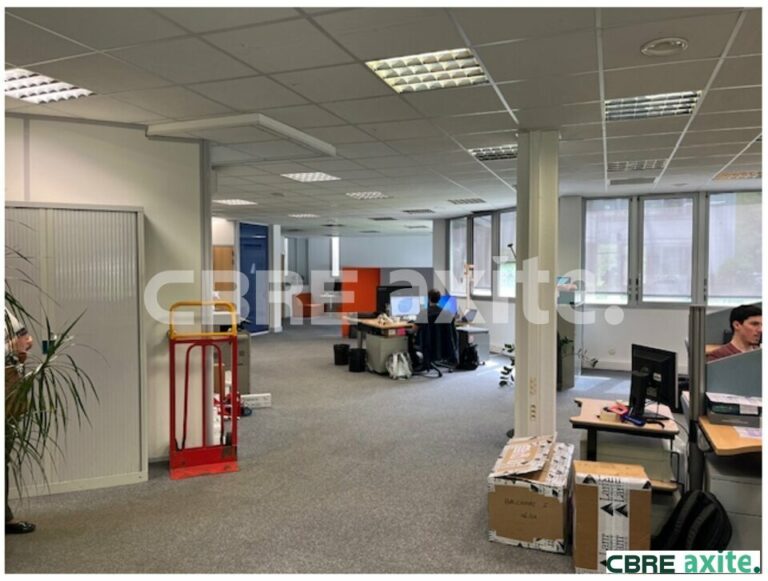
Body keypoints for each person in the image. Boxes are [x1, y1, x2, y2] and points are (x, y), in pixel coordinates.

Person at [4, 311, 36, 535]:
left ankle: (4, 517)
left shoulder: (5, 310)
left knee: (4, 454)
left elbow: (22, 335)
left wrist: (24, 343)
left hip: (9, 384)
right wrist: (10, 348)